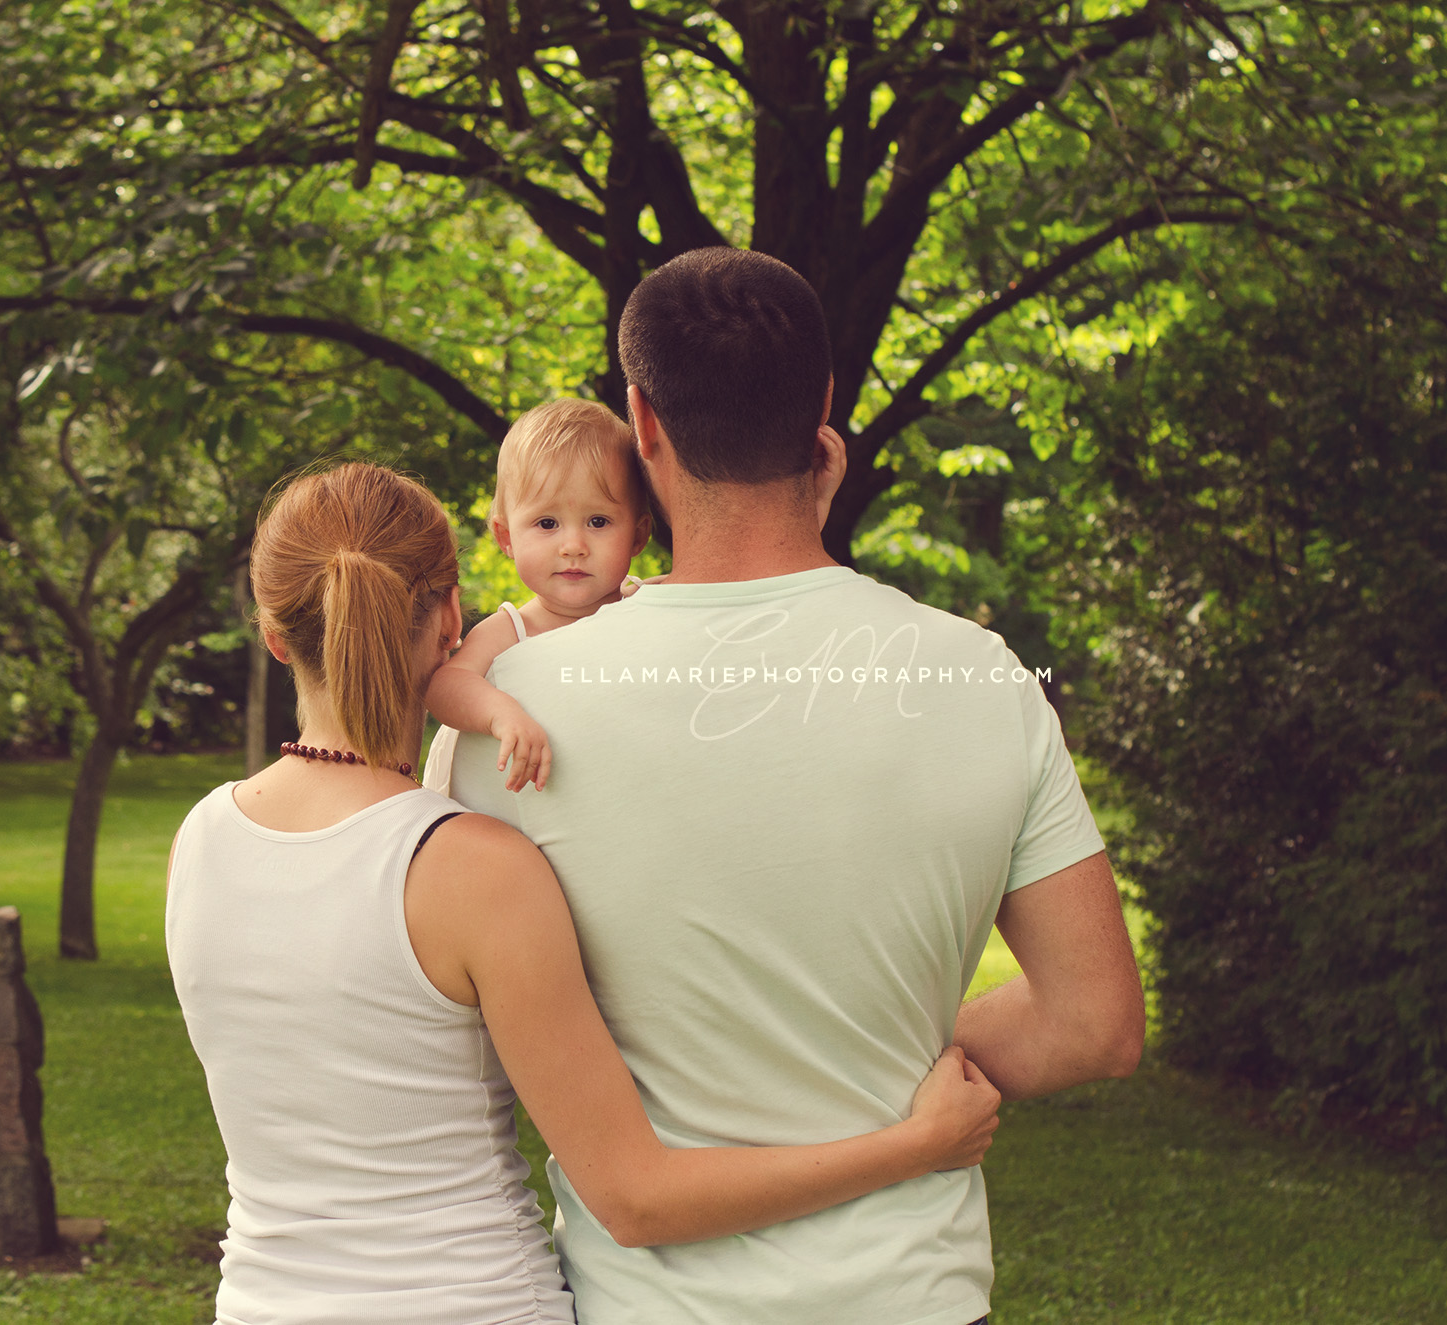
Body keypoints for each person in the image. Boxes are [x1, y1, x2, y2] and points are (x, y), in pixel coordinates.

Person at [442, 248, 1147, 1325]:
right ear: (821, 408)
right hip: (913, 1293)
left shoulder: (508, 714)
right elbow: (1093, 1020)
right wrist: (891, 1078)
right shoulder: (979, 677)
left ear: (642, 423)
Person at [164, 461, 1004, 1325]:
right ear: (451, 615)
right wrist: (918, 1143)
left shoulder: (201, 841)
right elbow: (638, 1199)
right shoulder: (470, 867)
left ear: (273, 633)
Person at [423, 398, 651, 795]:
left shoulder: (649, 605)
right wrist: (500, 713)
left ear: (639, 535)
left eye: (598, 521)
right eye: (547, 523)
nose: (573, 545)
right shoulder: (513, 629)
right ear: (505, 537)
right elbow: (443, 688)